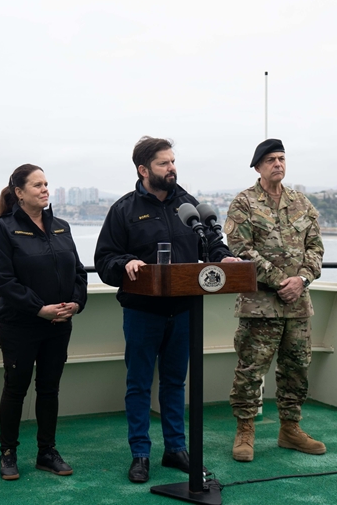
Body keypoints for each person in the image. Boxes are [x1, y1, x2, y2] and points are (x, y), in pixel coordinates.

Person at [94, 136, 240, 483]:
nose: (172, 168)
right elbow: (104, 260)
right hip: (143, 311)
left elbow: (211, 245)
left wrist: (224, 258)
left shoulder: (189, 206)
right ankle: (140, 454)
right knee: (139, 384)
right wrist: (126, 262)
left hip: (186, 309)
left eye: (173, 161)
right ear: (144, 170)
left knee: (175, 382)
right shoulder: (124, 209)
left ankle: (175, 449)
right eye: (164, 163)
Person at [223, 139, 326, 462]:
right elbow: (241, 248)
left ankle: (290, 429)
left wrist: (303, 279)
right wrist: (282, 280)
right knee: (251, 370)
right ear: (258, 166)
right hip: (260, 306)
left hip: (297, 306)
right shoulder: (244, 203)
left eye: (281, 158)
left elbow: (316, 249)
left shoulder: (302, 204)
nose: (278, 164)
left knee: (296, 369)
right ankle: (245, 430)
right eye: (270, 159)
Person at [0, 164, 87, 481]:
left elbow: (79, 272)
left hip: (58, 324)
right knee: (16, 389)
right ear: (19, 193)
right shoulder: (4, 229)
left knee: (48, 389)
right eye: (37, 185)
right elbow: (3, 280)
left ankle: (47, 452)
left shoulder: (62, 226)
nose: (45, 189)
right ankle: (8, 454)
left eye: (46, 184)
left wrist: (76, 302)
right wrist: (38, 308)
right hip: (19, 325)